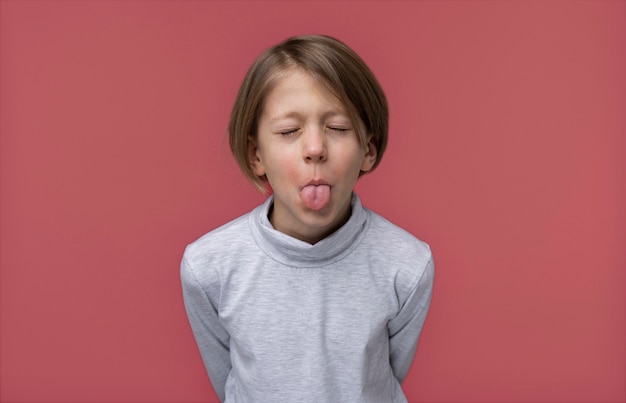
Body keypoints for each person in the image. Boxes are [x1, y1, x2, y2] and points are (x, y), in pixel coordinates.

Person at [181, 34, 434, 403]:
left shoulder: (408, 265)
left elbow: (383, 377)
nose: (315, 149)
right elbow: (230, 382)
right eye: (288, 131)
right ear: (256, 156)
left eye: (338, 128)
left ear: (369, 149)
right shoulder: (208, 268)